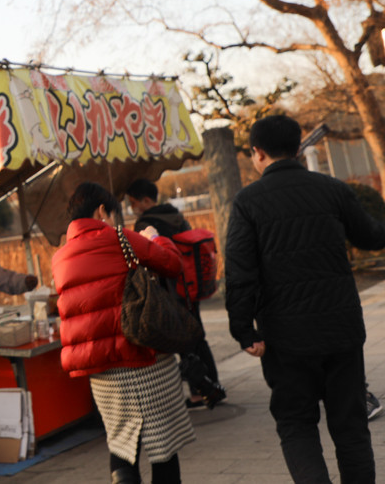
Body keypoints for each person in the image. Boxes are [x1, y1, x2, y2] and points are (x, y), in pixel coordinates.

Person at [225, 114, 385, 483]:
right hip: (341, 331)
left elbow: (239, 272)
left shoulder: (247, 202)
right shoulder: (332, 189)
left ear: (257, 153)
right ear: (298, 149)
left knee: (296, 423)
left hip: (286, 339)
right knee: (351, 427)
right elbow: (372, 236)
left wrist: (243, 329)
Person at [52, 181, 194, 484]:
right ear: (102, 210)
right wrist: (156, 238)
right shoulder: (120, 238)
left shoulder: (60, 256)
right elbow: (172, 264)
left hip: (101, 372)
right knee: (163, 445)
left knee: (121, 443)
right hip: (144, 357)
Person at [126, 178, 225, 410]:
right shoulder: (175, 215)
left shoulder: (147, 222)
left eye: (133, 202)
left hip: (168, 291)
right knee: (197, 336)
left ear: (146, 200)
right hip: (188, 286)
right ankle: (213, 384)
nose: (132, 208)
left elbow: (146, 256)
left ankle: (200, 393)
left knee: (183, 343)